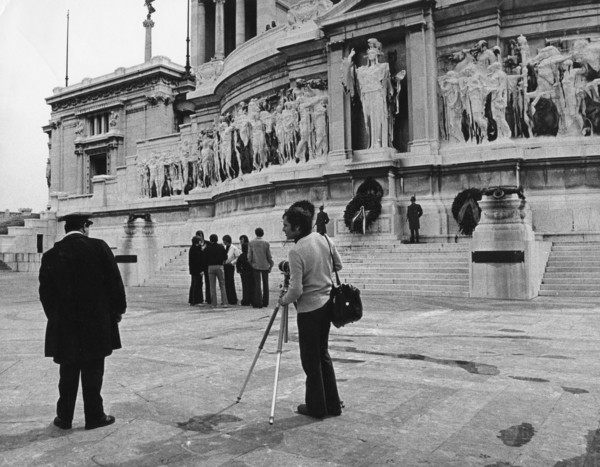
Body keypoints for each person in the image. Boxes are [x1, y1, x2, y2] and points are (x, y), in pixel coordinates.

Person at [38, 212, 126, 430]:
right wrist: (117, 311)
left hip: (65, 325)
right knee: (94, 371)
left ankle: (64, 417)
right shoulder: (99, 248)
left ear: (66, 229)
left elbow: (46, 294)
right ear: (85, 226)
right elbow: (115, 283)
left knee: (67, 372)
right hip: (96, 323)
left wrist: (56, 317)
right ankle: (94, 416)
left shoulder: (51, 255)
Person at [279, 201, 342, 419]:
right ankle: (332, 404)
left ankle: (316, 407)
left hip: (309, 310)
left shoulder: (296, 251)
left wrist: (283, 300)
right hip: (326, 305)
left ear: (297, 227)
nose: (284, 229)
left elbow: (296, 290)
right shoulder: (323, 238)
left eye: (286, 225)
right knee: (323, 355)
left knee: (310, 360)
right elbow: (338, 265)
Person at [248, 227, 274, 308]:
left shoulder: (251, 242)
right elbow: (269, 256)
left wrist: (251, 263)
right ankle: (265, 301)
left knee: (257, 284)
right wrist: (271, 264)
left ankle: (258, 302)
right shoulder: (266, 243)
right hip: (265, 265)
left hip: (255, 265)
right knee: (265, 284)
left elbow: (249, 256)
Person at [203, 234, 228, 307]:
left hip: (210, 267)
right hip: (219, 266)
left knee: (212, 286)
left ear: (210, 240)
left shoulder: (207, 248)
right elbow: (225, 256)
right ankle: (225, 302)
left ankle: (214, 303)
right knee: (222, 284)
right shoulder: (221, 247)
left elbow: (204, 258)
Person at [222, 234, 240, 305]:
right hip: (224, 265)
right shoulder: (224, 247)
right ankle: (227, 298)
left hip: (230, 266)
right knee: (225, 282)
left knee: (231, 282)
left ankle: (233, 299)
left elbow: (237, 257)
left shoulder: (234, 248)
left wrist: (232, 262)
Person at [236, 235, 254, 306]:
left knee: (245, 286)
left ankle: (246, 300)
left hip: (244, 272)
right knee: (252, 286)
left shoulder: (242, 256)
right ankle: (252, 299)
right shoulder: (250, 255)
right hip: (251, 271)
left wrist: (239, 270)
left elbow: (238, 263)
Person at [188, 236, 204, 305]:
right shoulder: (195, 249)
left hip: (193, 270)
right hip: (197, 270)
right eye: (200, 240)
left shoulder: (193, 248)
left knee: (194, 284)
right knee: (197, 285)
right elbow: (198, 261)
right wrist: (200, 270)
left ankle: (193, 300)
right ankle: (197, 300)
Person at [196, 230, 211, 301]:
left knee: (208, 282)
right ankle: (200, 298)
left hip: (207, 264)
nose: (199, 237)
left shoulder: (208, 243)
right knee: (199, 282)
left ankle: (208, 298)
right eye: (198, 236)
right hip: (200, 265)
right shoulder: (196, 244)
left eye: (200, 236)